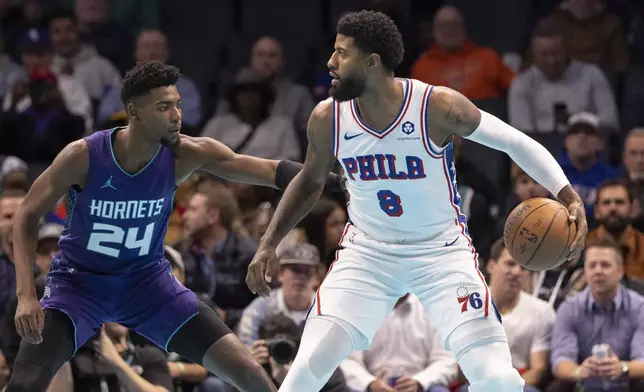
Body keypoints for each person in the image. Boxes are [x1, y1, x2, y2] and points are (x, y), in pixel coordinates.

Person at [246, 10, 588, 392]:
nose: (330, 62)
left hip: (441, 253)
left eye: (342, 53)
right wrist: (268, 243)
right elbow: (309, 182)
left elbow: (513, 141)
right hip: (368, 255)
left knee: (498, 379)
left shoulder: (435, 107)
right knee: (304, 371)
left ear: (372, 62)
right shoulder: (327, 118)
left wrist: (567, 194)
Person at [5, 60, 344, 392]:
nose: (176, 115)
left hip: (147, 285)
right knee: (25, 383)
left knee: (249, 373)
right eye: (163, 107)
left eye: (178, 105)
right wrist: (26, 294)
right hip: (78, 287)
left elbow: (267, 170)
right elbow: (27, 215)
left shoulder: (186, 154)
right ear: (134, 111)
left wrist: (335, 180)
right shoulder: (83, 156)